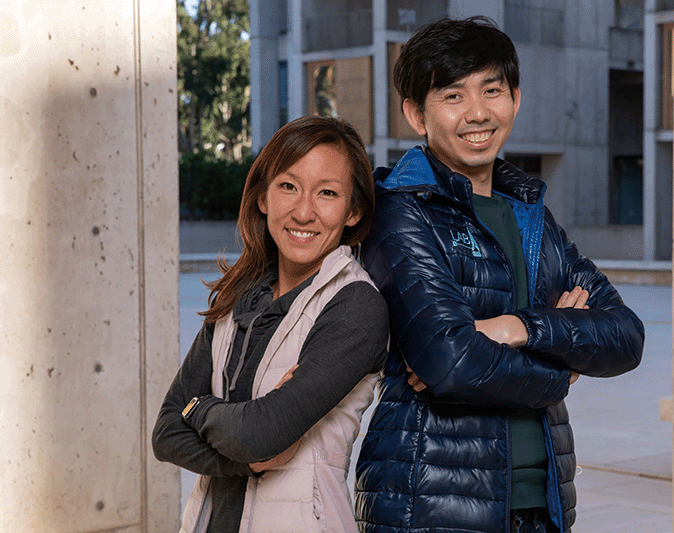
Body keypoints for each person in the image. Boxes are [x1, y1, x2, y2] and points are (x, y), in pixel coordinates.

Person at [353, 17, 645, 533]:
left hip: (544, 505)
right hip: (431, 501)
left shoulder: (531, 215)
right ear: (416, 114)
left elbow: (626, 336)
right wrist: (564, 372)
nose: (478, 113)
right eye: (453, 96)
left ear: (514, 98)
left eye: (492, 90)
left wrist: (520, 328)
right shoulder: (400, 210)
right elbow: (450, 362)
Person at [152, 115, 389, 533]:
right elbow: (166, 434)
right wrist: (236, 438)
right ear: (263, 197)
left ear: (353, 212)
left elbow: (262, 434)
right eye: (288, 186)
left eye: (327, 193)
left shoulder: (356, 305)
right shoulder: (237, 296)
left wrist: (198, 409)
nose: (303, 211)